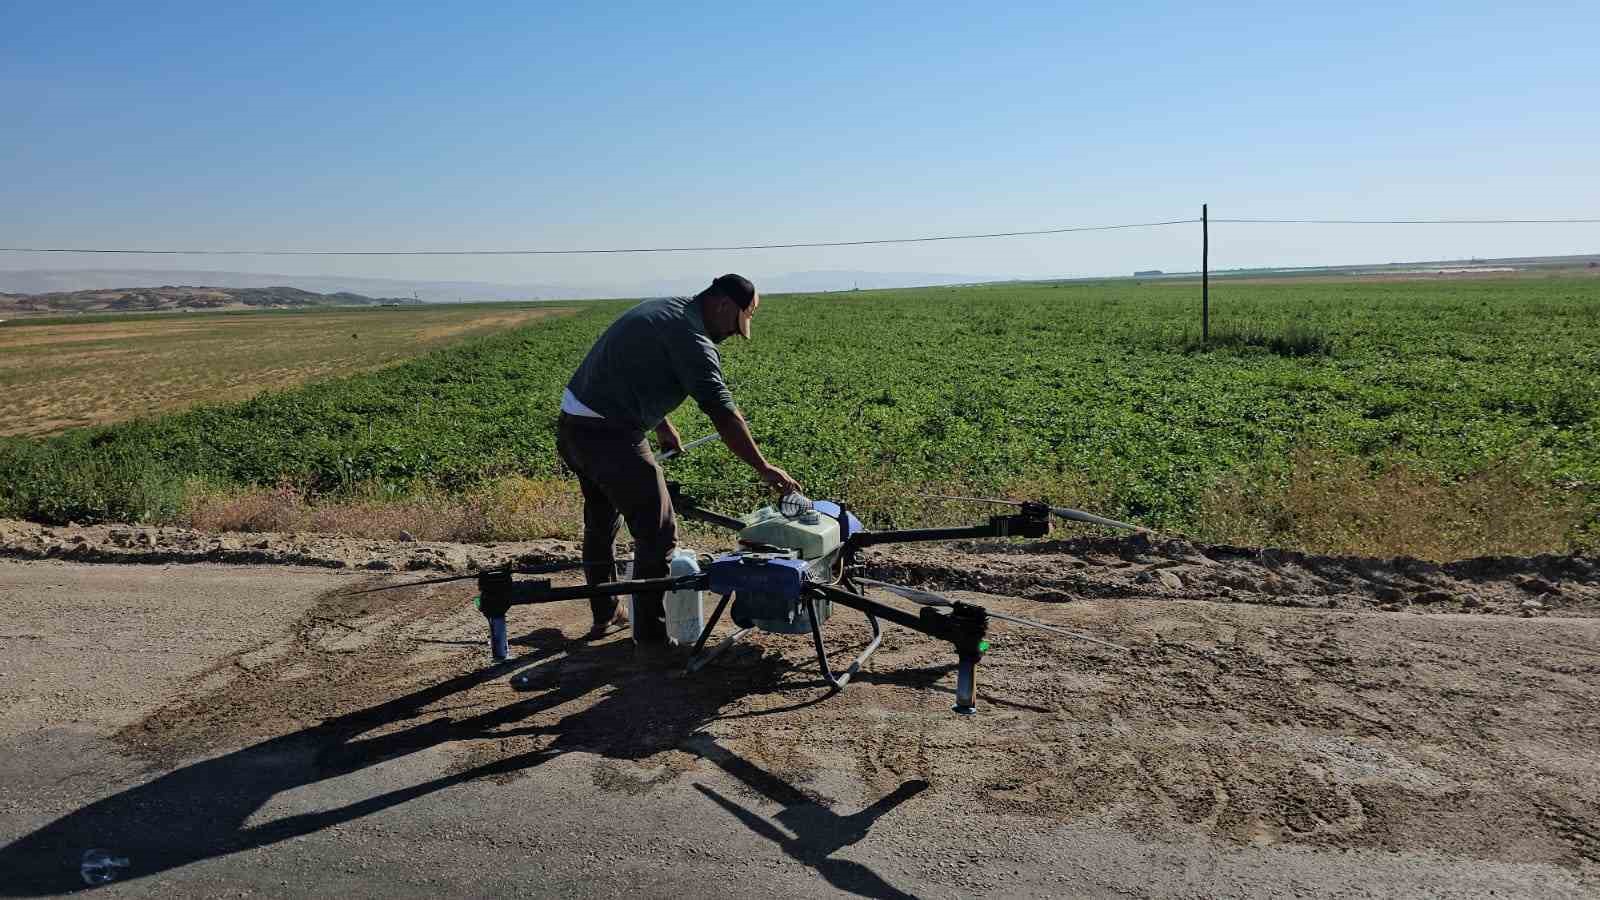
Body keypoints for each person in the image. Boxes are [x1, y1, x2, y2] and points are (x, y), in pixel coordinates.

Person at [556, 274, 802, 643]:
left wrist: (660, 424)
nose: (735, 334)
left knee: (602, 521)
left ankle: (606, 614)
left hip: (574, 425)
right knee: (658, 532)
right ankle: (652, 639)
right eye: (736, 324)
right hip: (610, 435)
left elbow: (631, 370)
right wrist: (764, 468)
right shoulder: (694, 342)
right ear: (721, 305)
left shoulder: (665, 310)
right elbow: (723, 414)